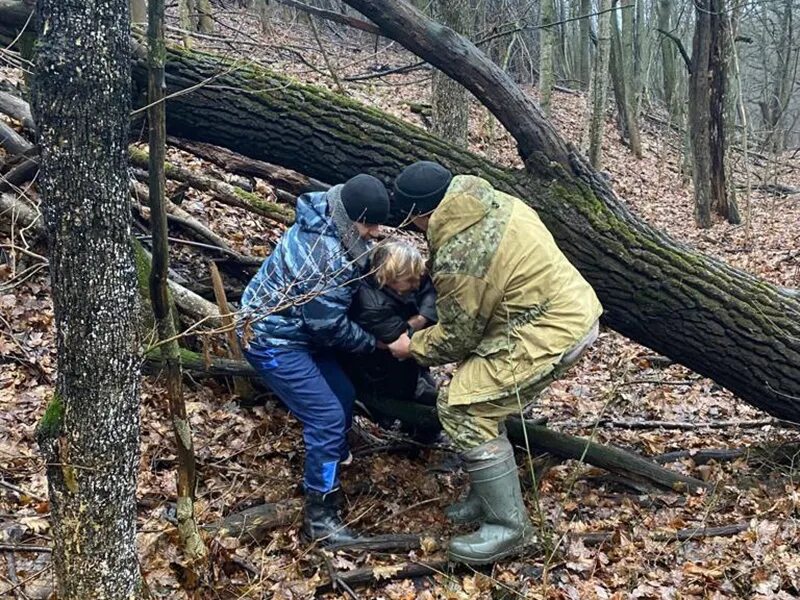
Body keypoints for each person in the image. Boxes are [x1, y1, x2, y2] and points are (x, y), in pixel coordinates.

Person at [387, 161, 602, 565]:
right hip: (566, 307)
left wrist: (411, 346)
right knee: (480, 393)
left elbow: (458, 336)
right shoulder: (493, 200)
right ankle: (485, 495)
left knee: (462, 408)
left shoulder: (460, 252)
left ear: (421, 214)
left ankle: (510, 528)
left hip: (547, 329)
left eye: (412, 220)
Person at [237, 173, 389, 546]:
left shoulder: (327, 213)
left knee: (341, 394)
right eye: (369, 225)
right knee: (326, 416)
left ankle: (332, 460)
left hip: (297, 332)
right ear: (351, 217)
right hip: (272, 340)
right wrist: (377, 345)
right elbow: (328, 326)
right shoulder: (324, 256)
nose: (374, 232)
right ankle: (320, 516)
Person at [344, 240, 438, 406]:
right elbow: (402, 346)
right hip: (379, 373)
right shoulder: (371, 305)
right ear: (389, 277)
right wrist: (423, 317)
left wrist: (421, 317)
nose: (415, 285)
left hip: (408, 365)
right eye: (410, 281)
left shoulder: (404, 279)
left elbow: (428, 285)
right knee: (431, 405)